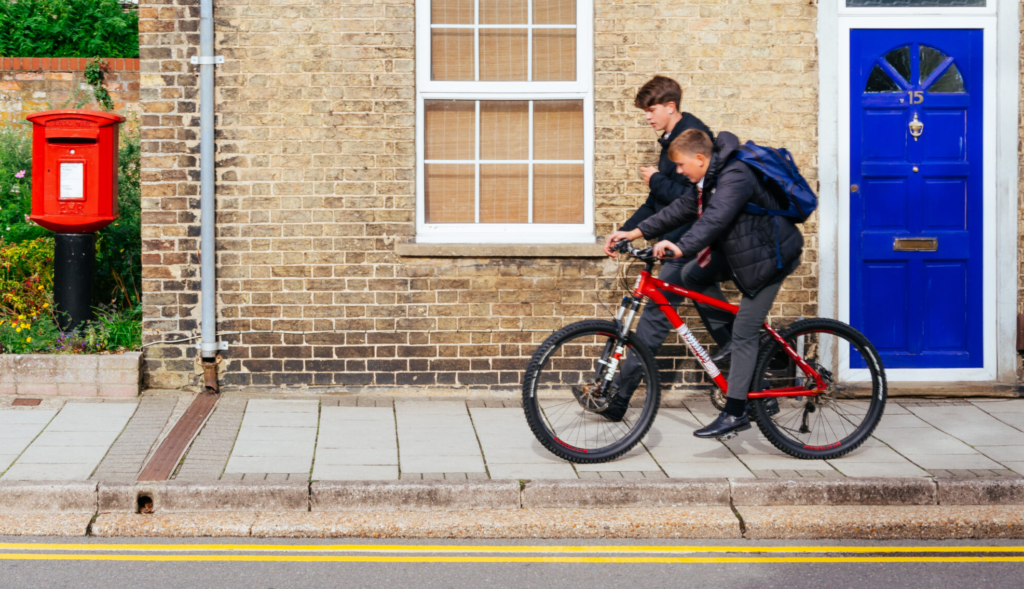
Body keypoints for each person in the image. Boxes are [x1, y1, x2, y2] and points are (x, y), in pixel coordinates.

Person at [607, 129, 803, 438]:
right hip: (742, 253)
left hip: (769, 258)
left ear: (700, 158)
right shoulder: (709, 177)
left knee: (745, 331)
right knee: (691, 276)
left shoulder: (735, 175)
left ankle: (736, 411)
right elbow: (682, 208)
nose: (680, 172)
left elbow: (716, 219)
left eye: (683, 165)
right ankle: (739, 344)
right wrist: (633, 232)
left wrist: (682, 247)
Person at [595, 76, 735, 422]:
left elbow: (693, 201)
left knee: (655, 319)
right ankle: (755, 387)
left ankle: (619, 399)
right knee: (715, 314)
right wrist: (628, 232)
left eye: (651, 109)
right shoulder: (671, 139)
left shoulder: (693, 137)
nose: (647, 117)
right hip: (684, 241)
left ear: (670, 107)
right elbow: (659, 201)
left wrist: (657, 179)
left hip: (690, 242)